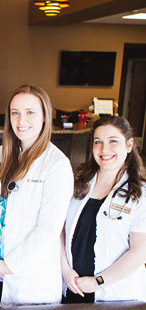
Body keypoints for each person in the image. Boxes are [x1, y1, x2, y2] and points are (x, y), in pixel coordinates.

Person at [0, 84, 74, 307]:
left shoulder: (57, 165)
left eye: (30, 112)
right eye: (15, 113)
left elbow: (48, 229)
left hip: (28, 279)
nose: (21, 120)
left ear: (44, 116)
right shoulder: (3, 154)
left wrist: (10, 265)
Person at [61, 116, 146, 303]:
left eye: (113, 141)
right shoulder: (78, 183)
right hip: (72, 288)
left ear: (129, 144)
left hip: (116, 296)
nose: (104, 149)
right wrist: (66, 270)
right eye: (98, 142)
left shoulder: (141, 195)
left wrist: (98, 282)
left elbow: (139, 252)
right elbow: (59, 229)